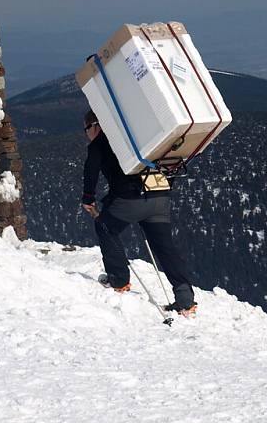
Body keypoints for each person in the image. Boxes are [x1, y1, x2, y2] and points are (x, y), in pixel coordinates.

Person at [81, 109, 197, 316]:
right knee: (165, 248)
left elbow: (91, 169)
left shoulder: (101, 141)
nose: (86, 133)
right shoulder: (136, 135)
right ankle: (185, 299)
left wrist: (88, 198)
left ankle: (118, 279)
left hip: (130, 199)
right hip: (159, 196)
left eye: (86, 128)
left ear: (96, 125)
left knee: (105, 226)